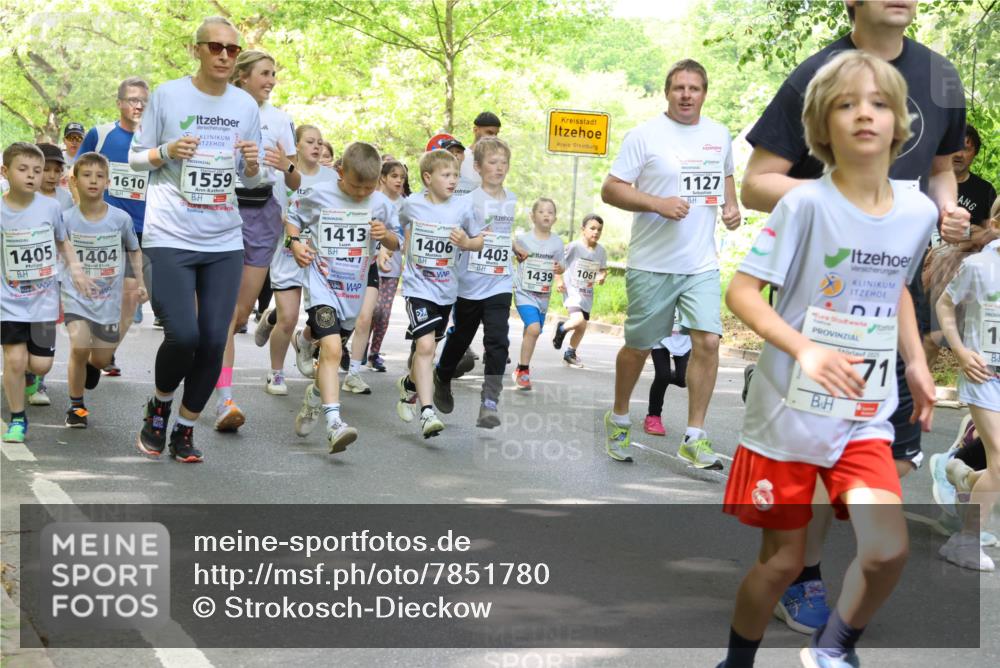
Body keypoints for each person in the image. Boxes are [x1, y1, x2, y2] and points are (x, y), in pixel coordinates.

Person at [739, 0, 969, 634]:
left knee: (885, 448)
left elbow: (943, 170)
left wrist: (943, 211)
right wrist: (844, 201)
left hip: (893, 284)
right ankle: (802, 571)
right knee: (817, 447)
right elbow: (755, 183)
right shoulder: (816, 74)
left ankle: (834, 565)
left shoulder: (941, 76)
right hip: (822, 299)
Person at [718, 50, 937, 668]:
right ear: (822, 127)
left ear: (899, 122)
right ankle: (736, 661)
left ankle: (833, 648)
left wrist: (916, 362)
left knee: (886, 549)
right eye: (846, 104)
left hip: (863, 410)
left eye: (878, 103)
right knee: (783, 561)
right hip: (789, 412)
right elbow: (740, 291)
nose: (863, 114)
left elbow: (891, 285)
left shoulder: (917, 210)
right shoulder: (804, 205)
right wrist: (806, 349)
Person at [130, 15, 262, 463]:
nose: (224, 56)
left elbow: (254, 177)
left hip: (224, 239)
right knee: (183, 335)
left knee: (212, 340)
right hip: (170, 234)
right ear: (197, 50)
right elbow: (135, 159)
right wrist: (166, 152)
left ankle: (185, 429)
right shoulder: (167, 95)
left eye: (232, 50)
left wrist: (250, 163)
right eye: (215, 47)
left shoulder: (245, 106)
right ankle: (159, 407)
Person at [601, 58, 741, 467]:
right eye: (679, 87)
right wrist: (656, 203)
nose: (686, 95)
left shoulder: (718, 134)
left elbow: (726, 176)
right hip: (652, 262)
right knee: (639, 347)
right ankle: (621, 415)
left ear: (704, 93)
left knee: (708, 342)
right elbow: (611, 189)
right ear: (667, 92)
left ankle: (695, 435)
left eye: (694, 88)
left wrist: (732, 208)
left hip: (700, 263)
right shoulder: (645, 136)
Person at [286, 141, 401, 452]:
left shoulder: (381, 204)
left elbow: (398, 239)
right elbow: (293, 215)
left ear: (377, 181)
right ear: (340, 173)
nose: (361, 193)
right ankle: (335, 423)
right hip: (323, 284)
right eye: (354, 186)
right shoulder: (320, 194)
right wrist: (295, 243)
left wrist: (386, 237)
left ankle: (314, 396)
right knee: (333, 350)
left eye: (367, 188)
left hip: (354, 289)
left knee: (332, 350)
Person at [213, 48, 300, 432]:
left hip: (265, 216)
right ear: (242, 76)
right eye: (265, 73)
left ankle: (218, 385)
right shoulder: (220, 110)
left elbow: (297, 181)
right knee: (216, 316)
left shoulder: (281, 120)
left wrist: (288, 167)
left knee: (234, 317)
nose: (271, 80)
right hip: (221, 211)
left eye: (274, 74)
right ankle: (223, 396)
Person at [1, 142, 90, 443]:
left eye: (37, 171)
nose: (32, 176)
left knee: (40, 364)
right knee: (13, 359)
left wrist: (76, 270)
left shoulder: (51, 207)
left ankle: (31, 377)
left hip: (43, 301)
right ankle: (17, 418)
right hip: (8, 301)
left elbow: (62, 241)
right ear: (5, 172)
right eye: (23, 169)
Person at [395, 149, 484, 438]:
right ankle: (427, 412)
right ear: (427, 177)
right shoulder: (412, 204)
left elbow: (480, 240)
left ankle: (409, 385)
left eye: (456, 175)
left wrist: (467, 243)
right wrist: (388, 249)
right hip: (417, 287)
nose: (453, 180)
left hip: (447, 291)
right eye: (446, 175)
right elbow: (398, 228)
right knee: (425, 349)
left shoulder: (462, 208)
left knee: (429, 347)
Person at [433, 137, 516, 428]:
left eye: (503, 162)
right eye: (492, 162)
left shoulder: (513, 199)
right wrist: (467, 242)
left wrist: (514, 247)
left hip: (500, 282)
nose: (499, 167)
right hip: (470, 283)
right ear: (478, 168)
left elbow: (501, 235)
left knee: (498, 341)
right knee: (461, 338)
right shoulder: (466, 202)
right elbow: (456, 237)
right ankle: (442, 375)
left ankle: (489, 401)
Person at [935, 199, 1000, 571]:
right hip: (984, 375)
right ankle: (965, 542)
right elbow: (945, 305)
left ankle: (963, 476)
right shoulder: (978, 267)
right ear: (995, 223)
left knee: (995, 467)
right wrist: (960, 351)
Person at [60, 152, 147, 428]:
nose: (93, 181)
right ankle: (76, 407)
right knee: (78, 345)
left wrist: (141, 283)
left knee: (100, 358)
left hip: (108, 300)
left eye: (99, 176)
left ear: (108, 182)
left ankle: (92, 366)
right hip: (76, 296)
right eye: (87, 175)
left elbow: (134, 250)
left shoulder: (120, 219)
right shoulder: (66, 219)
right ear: (75, 181)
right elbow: (59, 250)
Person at [254, 125, 335, 394]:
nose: (317, 146)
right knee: (288, 318)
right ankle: (276, 373)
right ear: (297, 145)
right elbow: (276, 217)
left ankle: (283, 324)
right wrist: (294, 239)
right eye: (310, 141)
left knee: (326, 317)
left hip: (321, 259)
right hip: (288, 254)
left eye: (320, 142)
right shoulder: (281, 177)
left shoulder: (332, 177)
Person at [78, 76, 151, 366]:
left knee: (130, 298)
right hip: (102, 227)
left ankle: (104, 354)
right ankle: (90, 349)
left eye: (144, 101)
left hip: (142, 229)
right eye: (133, 99)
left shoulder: (155, 140)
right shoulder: (101, 134)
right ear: (119, 102)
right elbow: (78, 175)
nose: (138, 105)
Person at [25, 142, 77, 407]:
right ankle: (23, 367)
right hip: (20, 275)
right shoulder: (20, 194)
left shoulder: (65, 198)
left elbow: (66, 235)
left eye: (58, 170)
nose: (52, 175)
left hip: (53, 273)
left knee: (45, 324)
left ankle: (37, 379)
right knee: (22, 325)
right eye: (46, 169)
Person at [511, 198, 565, 391]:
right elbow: (511, 256)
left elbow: (562, 265)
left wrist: (559, 268)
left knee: (531, 331)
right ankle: (524, 370)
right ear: (532, 216)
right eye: (541, 211)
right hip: (524, 292)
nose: (546, 214)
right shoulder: (523, 239)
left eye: (550, 212)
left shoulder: (557, 242)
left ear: (555, 219)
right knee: (533, 329)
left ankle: (520, 367)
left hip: (543, 296)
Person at [367, 159, 408, 372]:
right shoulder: (371, 199)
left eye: (402, 177)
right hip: (368, 262)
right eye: (394, 176)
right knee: (367, 310)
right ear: (382, 177)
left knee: (383, 311)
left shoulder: (405, 205)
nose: (399, 180)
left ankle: (374, 353)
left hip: (391, 265)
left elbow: (405, 236)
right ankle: (355, 347)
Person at [552, 213, 609, 368]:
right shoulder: (574, 247)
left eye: (599, 230)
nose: (596, 232)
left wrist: (602, 277)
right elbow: (558, 262)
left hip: (587, 294)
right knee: (577, 320)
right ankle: (561, 328)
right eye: (592, 228)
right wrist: (559, 281)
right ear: (583, 229)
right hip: (572, 291)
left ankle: (570, 353)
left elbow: (603, 270)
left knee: (582, 326)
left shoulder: (601, 251)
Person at [643, 314, 691, 437]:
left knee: (684, 379)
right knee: (662, 376)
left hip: (685, 336)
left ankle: (665, 375)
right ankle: (653, 416)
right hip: (659, 332)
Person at [455, 112, 501, 196]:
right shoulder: (458, 156)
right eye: (489, 133)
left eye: (496, 134)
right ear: (475, 130)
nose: (494, 138)